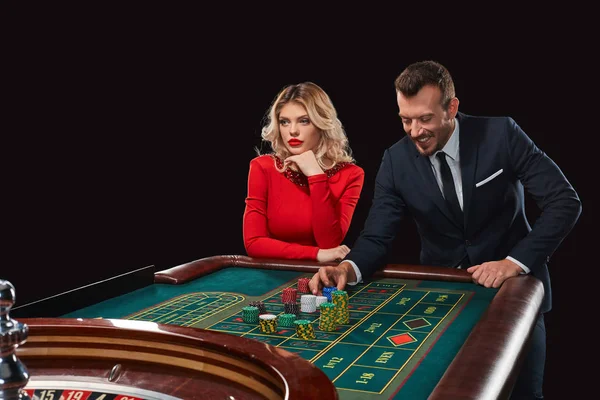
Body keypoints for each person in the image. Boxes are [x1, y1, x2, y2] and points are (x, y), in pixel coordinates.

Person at [308, 61, 581, 399]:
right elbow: (377, 235)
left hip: (514, 293)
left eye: (425, 119)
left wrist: (513, 263)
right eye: (406, 120)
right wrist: (347, 268)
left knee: (524, 394)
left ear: (452, 108)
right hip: (446, 302)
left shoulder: (501, 134)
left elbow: (564, 202)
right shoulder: (396, 161)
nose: (415, 131)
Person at [243, 82, 365, 262]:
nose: (292, 131)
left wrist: (316, 175)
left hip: (318, 277)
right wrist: (316, 254)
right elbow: (253, 243)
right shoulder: (263, 167)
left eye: (304, 121)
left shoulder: (351, 174)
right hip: (271, 275)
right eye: (284, 122)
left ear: (321, 123)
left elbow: (329, 243)